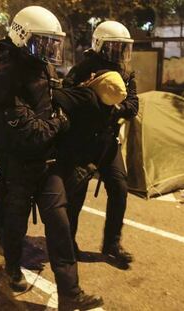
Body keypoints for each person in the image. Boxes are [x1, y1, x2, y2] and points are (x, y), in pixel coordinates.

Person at [0, 6, 104, 310]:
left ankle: (70, 295)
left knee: (61, 228)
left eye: (53, 43)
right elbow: (32, 132)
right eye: (44, 42)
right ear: (22, 37)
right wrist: (61, 121)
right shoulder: (4, 78)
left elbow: (51, 108)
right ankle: (12, 268)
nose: (50, 51)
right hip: (18, 166)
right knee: (15, 226)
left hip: (48, 164)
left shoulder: (42, 68)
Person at [63, 21, 138, 264]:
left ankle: (112, 244)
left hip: (108, 142)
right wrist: (91, 101)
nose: (119, 53)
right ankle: (68, 243)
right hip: (83, 143)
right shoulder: (82, 69)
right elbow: (68, 100)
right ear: (100, 45)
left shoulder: (125, 73)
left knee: (119, 188)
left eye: (122, 48)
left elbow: (133, 105)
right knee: (76, 195)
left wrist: (114, 108)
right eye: (114, 47)